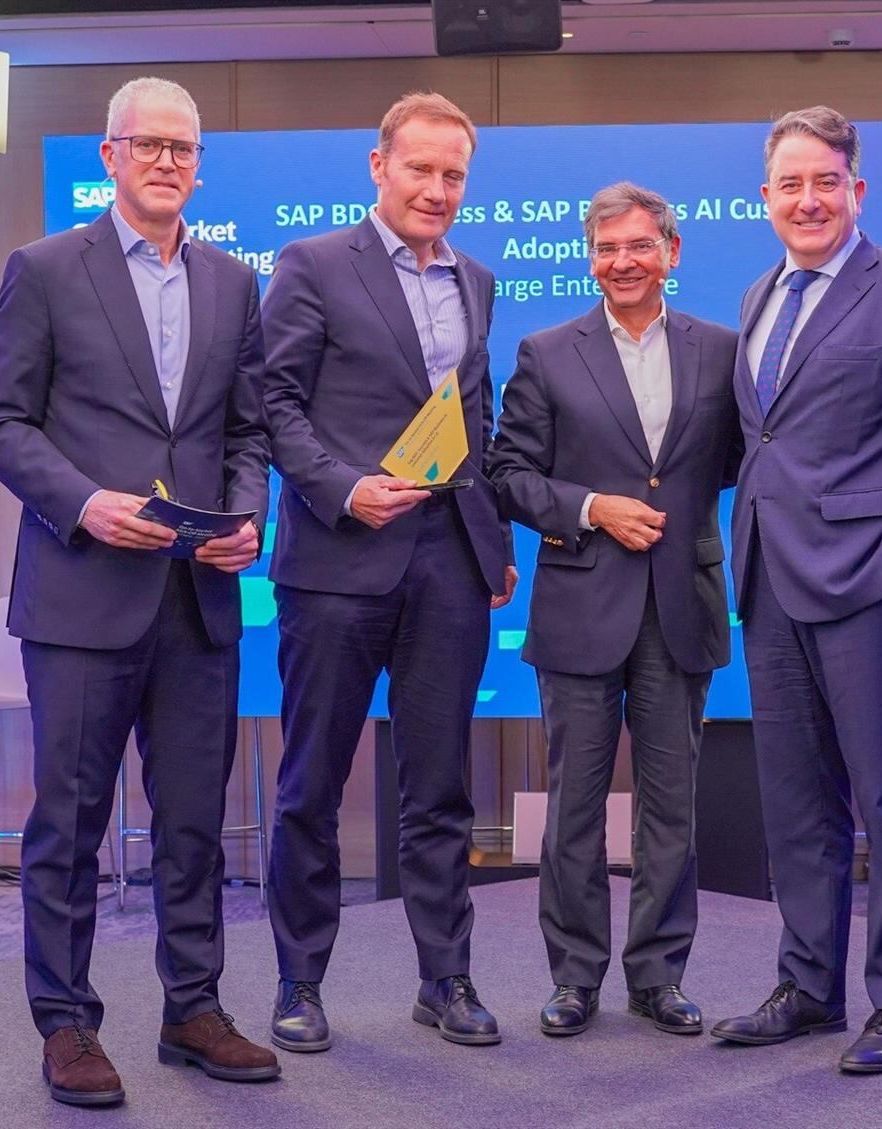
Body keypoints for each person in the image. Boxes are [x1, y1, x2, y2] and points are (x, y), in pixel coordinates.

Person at [0, 76, 277, 1107]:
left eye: (182, 149)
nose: (165, 162)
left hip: (197, 601)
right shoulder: (46, 269)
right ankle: (66, 1024)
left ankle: (194, 1008)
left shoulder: (234, 282)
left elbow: (245, 432)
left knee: (193, 824)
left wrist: (246, 517)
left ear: (199, 167)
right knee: (68, 825)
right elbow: (0, 423)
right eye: (147, 144)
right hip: (80, 595)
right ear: (110, 156)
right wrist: (83, 503)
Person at [711, 106, 882, 1074]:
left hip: (873, 588)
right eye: (790, 184)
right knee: (797, 806)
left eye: (825, 181)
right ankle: (809, 987)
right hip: (771, 586)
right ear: (765, 198)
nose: (808, 200)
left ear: (856, 190)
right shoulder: (759, 295)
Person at [260, 91, 516, 1055]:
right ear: (380, 167)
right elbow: (274, 404)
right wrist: (343, 488)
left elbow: (474, 419)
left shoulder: (476, 279)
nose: (437, 189)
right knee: (311, 784)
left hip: (449, 563)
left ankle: (446, 979)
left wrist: (493, 543)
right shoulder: (314, 264)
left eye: (455, 175)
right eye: (420, 169)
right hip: (335, 561)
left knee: (440, 787)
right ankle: (299, 981)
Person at [486, 182, 741, 1039]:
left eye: (639, 245)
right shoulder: (547, 352)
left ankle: (659, 977)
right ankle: (574, 977)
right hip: (581, 605)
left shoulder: (723, 350)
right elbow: (508, 475)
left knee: (673, 805)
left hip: (682, 605)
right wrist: (592, 507)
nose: (622, 262)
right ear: (589, 257)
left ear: (672, 251)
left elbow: (738, 462)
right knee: (575, 805)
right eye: (606, 248)